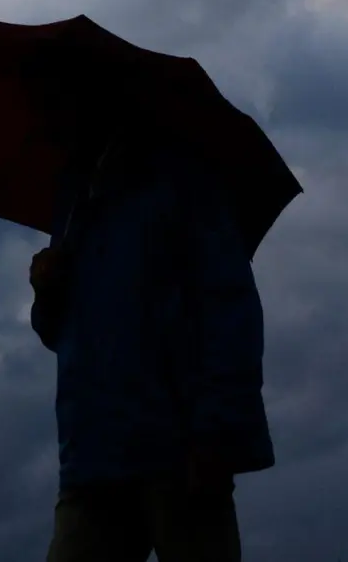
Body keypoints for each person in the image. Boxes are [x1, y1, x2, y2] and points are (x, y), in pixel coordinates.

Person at [29, 77, 274, 562]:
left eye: (56, 100)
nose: (48, 116)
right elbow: (65, 334)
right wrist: (47, 294)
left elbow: (230, 310)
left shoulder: (182, 182)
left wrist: (215, 432)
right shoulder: (75, 198)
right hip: (92, 455)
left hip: (181, 450)